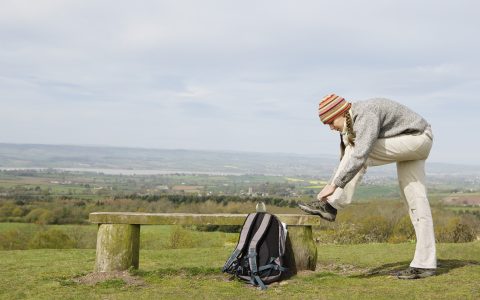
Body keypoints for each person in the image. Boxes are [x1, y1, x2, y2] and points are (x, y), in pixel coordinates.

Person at [298, 93, 436, 279]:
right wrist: (335, 182)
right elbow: (345, 159)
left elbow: (359, 156)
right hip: (414, 142)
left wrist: (334, 186)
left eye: (330, 122)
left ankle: (331, 205)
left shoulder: (364, 115)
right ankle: (425, 264)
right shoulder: (353, 121)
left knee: (358, 150)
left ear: (340, 112)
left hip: (416, 138)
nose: (330, 127)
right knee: (417, 202)